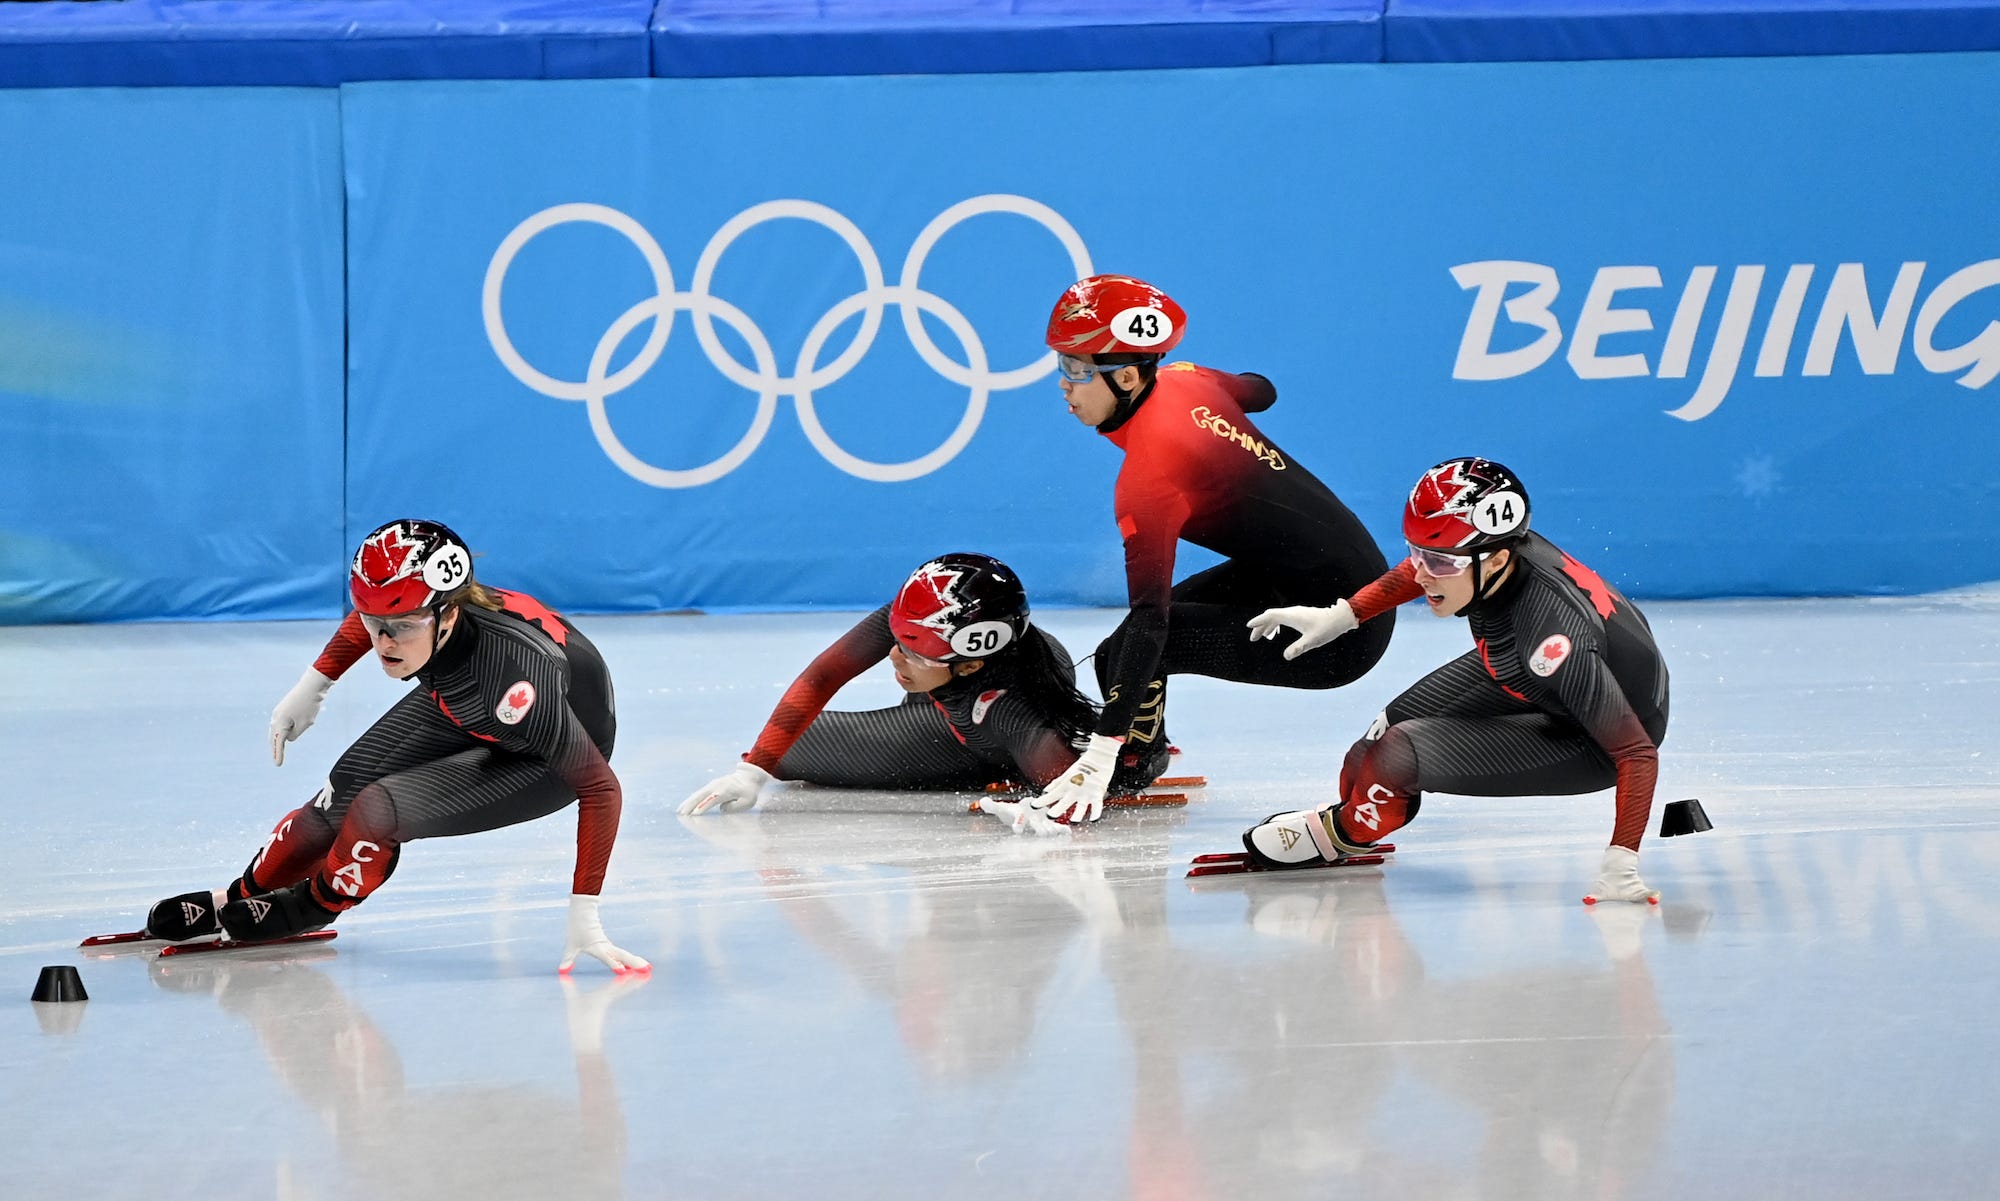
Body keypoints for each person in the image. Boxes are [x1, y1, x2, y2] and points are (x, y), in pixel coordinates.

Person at [143, 519, 647, 972]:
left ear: (447, 616)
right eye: (374, 623)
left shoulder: (511, 681)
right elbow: (383, 612)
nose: (385, 642)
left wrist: (586, 909)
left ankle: (311, 904)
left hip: (544, 754)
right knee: (334, 799)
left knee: (377, 811)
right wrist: (314, 685)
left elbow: (601, 789)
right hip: (464, 699)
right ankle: (239, 893)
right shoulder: (430, 609)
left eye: (403, 627)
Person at [1027, 274, 1395, 827]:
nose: (1064, 384)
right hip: (1322, 577)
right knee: (1121, 657)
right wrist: (1222, 394)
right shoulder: (1188, 378)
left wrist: (1098, 750)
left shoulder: (1149, 481)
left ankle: (1122, 759)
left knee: (1130, 651)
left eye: (1078, 370)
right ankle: (1138, 746)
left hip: (1340, 630)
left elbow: (1150, 621)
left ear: (1127, 376)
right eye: (1062, 364)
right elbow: (1262, 390)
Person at [1241, 457, 1671, 903]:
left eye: (1440, 563)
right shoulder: (1491, 556)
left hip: (1595, 735)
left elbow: (1635, 752)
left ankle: (1343, 834)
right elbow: (1427, 565)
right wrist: (1343, 615)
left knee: (1396, 755)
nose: (1422, 573)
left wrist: (1622, 861)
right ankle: (1359, 811)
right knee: (1379, 735)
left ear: (1499, 559)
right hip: (1531, 673)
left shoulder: (1552, 638)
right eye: (1418, 553)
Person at [680, 552, 1157, 825]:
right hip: (960, 701)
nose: (893, 654)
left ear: (969, 665)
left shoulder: (1007, 712)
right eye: (899, 638)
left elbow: (1077, 795)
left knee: (796, 751)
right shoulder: (927, 618)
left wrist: (1128, 763)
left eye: (913, 652)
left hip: (978, 729)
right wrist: (753, 771)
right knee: (773, 752)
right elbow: (823, 676)